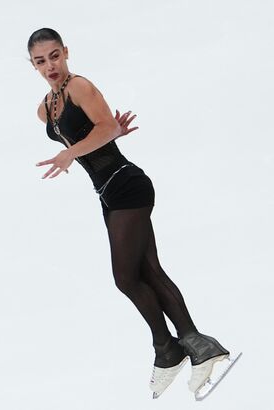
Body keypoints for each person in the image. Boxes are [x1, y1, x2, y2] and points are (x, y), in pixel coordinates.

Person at [27, 28, 236, 399]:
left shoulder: (80, 87)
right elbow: (100, 135)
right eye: (41, 60)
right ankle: (192, 347)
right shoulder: (46, 108)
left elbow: (103, 126)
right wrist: (103, 139)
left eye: (55, 56)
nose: (50, 65)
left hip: (127, 185)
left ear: (66, 52)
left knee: (126, 277)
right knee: (147, 271)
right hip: (108, 193)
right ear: (32, 65)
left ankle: (169, 348)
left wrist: (77, 149)